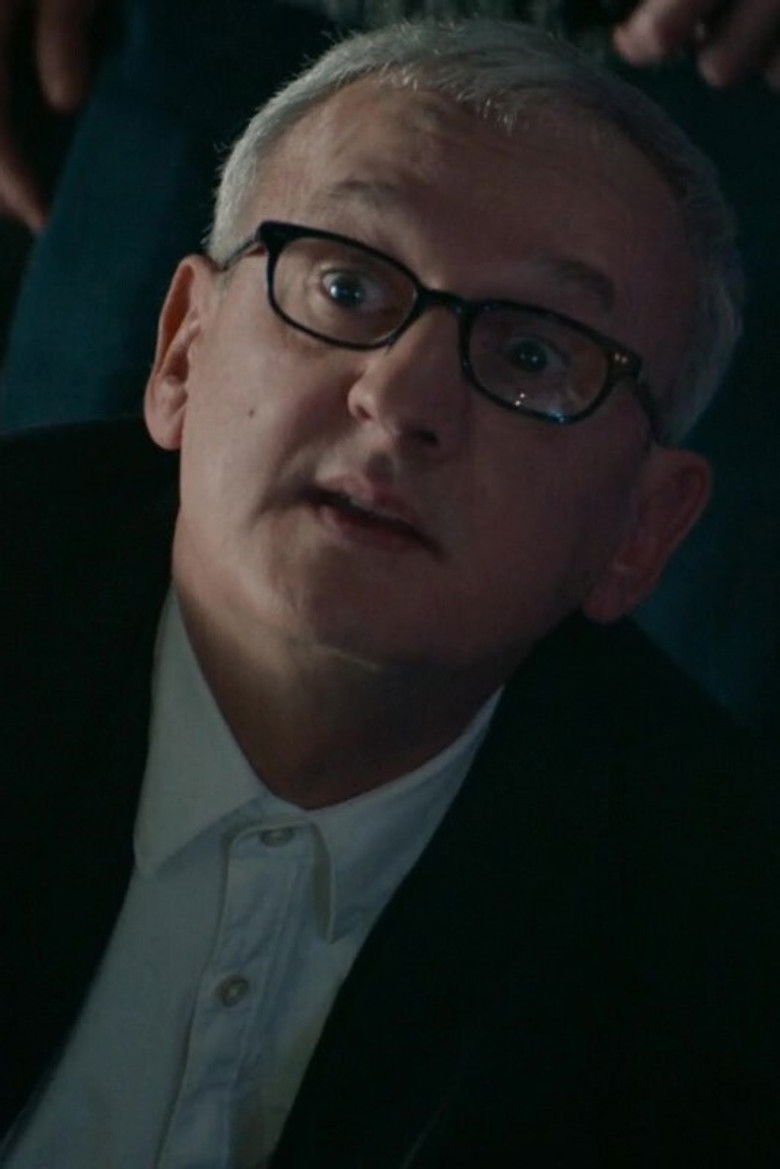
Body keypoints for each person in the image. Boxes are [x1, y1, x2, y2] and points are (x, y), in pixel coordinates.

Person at [1, 18, 777, 1167]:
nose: (404, 399)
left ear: (641, 530)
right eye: (347, 284)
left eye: (533, 356)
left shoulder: (725, 941)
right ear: (181, 353)